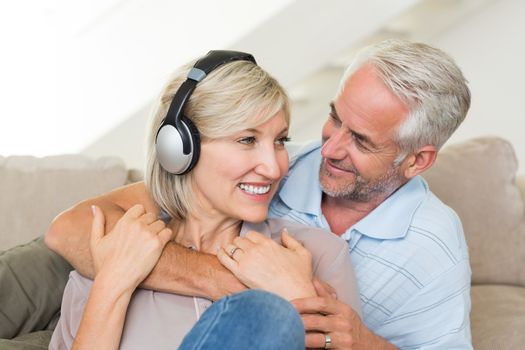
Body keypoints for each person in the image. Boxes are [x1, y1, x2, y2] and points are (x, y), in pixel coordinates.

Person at [46, 39, 472, 349]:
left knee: (264, 315)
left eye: (360, 140)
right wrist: (120, 277)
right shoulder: (120, 241)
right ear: (179, 149)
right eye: (247, 140)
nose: (327, 149)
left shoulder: (325, 254)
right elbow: (68, 230)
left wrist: (315, 310)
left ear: (416, 161)